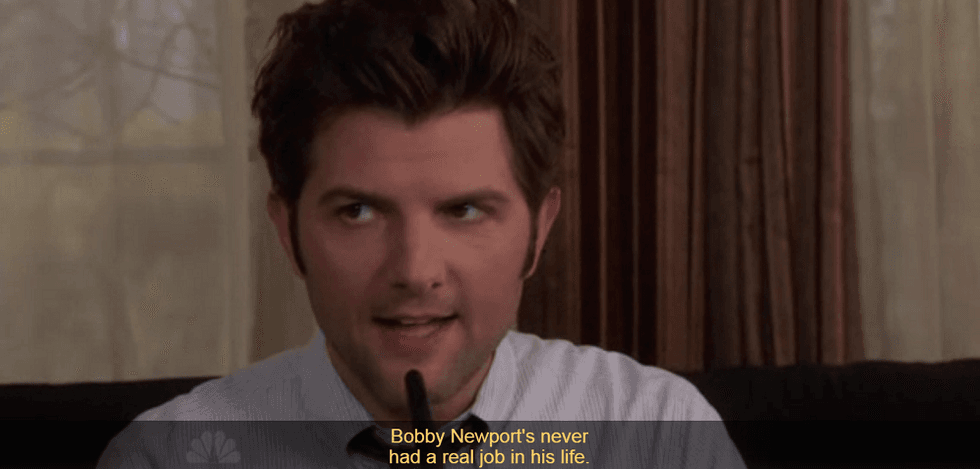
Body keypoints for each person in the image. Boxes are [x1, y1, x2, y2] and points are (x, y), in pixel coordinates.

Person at [98, 0, 746, 467]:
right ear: (288, 232)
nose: (414, 270)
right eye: (358, 211)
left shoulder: (655, 434)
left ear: (539, 230)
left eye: (464, 211)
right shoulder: (168, 455)